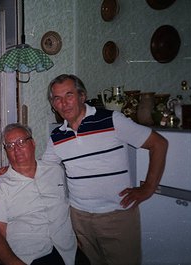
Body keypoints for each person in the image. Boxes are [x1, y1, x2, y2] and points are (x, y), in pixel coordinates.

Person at [43, 74, 168, 265]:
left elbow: (159, 144)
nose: (64, 103)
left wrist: (149, 187)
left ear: (82, 96)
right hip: (80, 217)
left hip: (117, 216)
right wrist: (9, 172)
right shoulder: (56, 136)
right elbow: (43, 169)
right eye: (57, 98)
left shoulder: (112, 120)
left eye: (69, 95)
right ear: (53, 104)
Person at [0, 123, 77, 265]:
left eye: (21, 142)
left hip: (67, 252)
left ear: (33, 143)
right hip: (27, 257)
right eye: (10, 145)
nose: (16, 149)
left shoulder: (56, 171)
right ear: (5, 151)